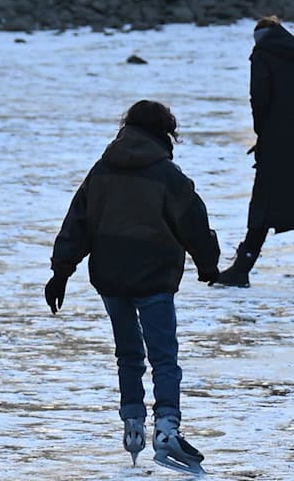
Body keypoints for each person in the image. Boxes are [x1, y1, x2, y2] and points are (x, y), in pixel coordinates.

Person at [44, 100, 220, 474]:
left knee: (128, 354)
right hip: (154, 275)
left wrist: (61, 271)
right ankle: (167, 430)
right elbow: (193, 221)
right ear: (164, 132)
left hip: (111, 276)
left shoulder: (102, 170)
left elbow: (77, 222)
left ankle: (133, 426)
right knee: (163, 356)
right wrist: (208, 263)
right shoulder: (166, 175)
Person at [211, 15, 294, 288]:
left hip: (277, 141)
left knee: (263, 202)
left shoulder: (262, 56)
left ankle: (242, 268)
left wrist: (263, 133)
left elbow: (259, 99)